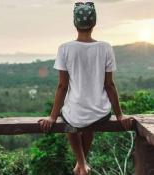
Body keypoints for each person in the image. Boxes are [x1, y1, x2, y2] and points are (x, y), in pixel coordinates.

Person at [38, 2, 134, 175]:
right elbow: (109, 85)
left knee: (70, 122)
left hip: (75, 113)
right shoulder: (105, 47)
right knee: (88, 121)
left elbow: (62, 85)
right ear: (94, 23)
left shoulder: (65, 48)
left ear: (75, 23)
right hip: (100, 113)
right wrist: (120, 114)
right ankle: (82, 164)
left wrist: (52, 117)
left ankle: (81, 163)